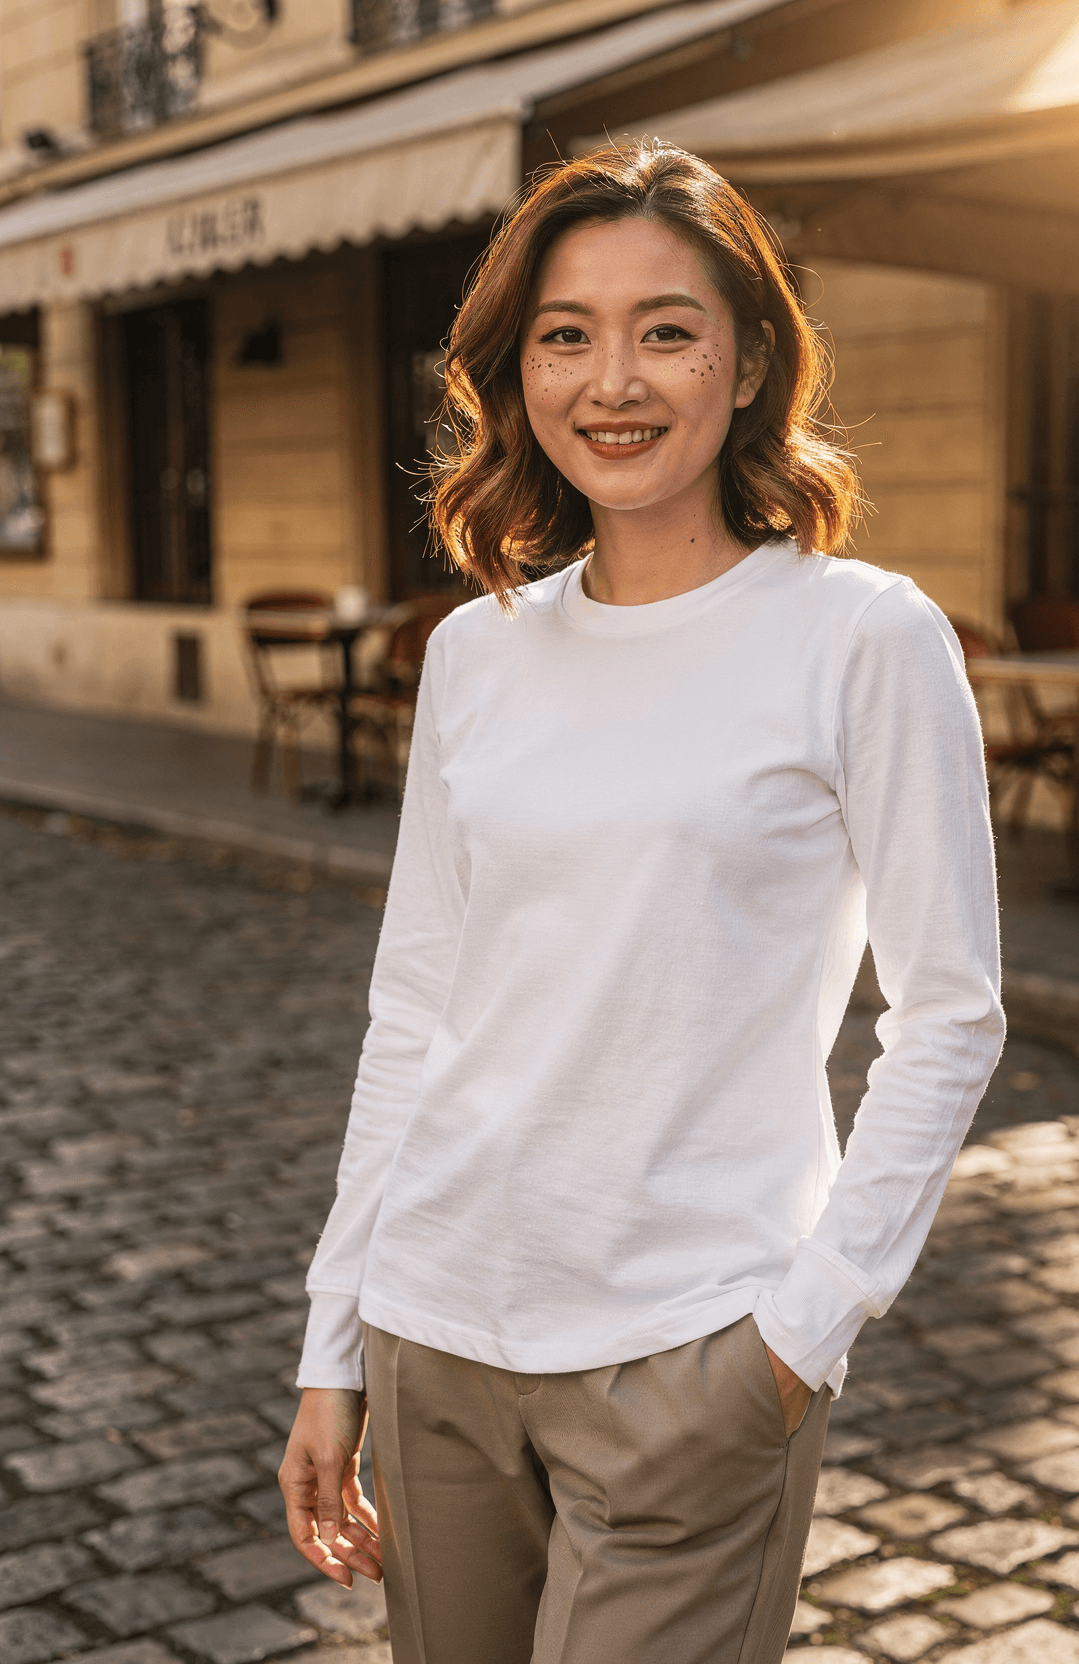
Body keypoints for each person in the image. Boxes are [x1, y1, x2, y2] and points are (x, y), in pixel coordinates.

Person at [279, 141, 1005, 1664]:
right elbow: (415, 1010)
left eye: (666, 331)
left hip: (693, 1353)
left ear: (751, 364)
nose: (613, 381)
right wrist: (335, 1342)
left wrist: (801, 1338)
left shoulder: (862, 639)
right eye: (567, 335)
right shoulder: (475, 653)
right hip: (435, 1332)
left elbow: (949, 1014)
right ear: (518, 372)